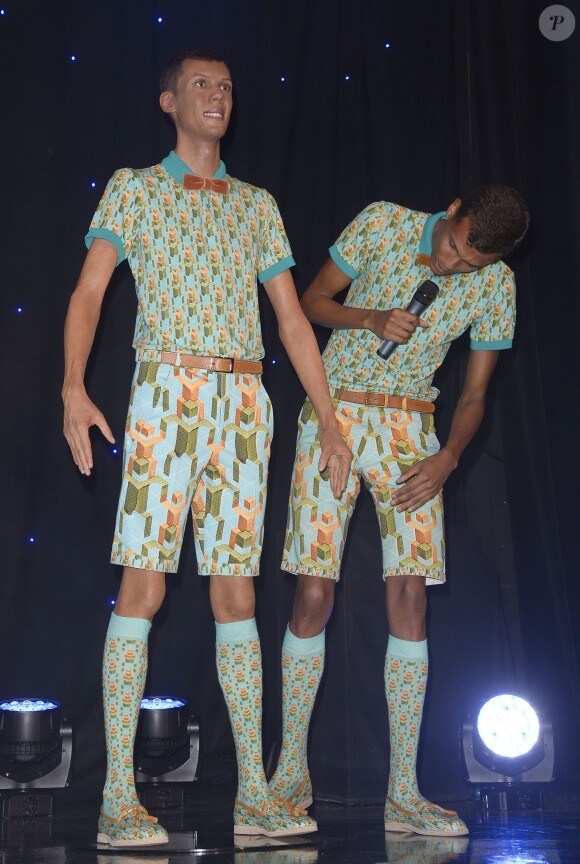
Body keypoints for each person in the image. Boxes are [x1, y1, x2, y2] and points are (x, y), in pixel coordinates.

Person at [62, 49, 351, 847]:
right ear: (168, 101)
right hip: (166, 394)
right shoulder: (135, 186)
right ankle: (117, 799)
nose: (217, 96)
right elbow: (90, 289)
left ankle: (254, 799)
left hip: (243, 401)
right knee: (143, 589)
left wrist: (328, 418)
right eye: (201, 86)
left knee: (238, 598)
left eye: (226, 87)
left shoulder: (257, 203)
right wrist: (72, 386)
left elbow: (293, 319)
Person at [269, 186, 529, 836]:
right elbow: (310, 303)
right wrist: (370, 318)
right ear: (452, 210)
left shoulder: (497, 285)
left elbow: (474, 394)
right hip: (337, 415)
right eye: (451, 248)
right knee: (312, 592)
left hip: (414, 431)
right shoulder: (383, 223)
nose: (450, 267)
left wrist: (450, 459)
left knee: (410, 596)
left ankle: (404, 797)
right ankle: (287, 777)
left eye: (468, 264)